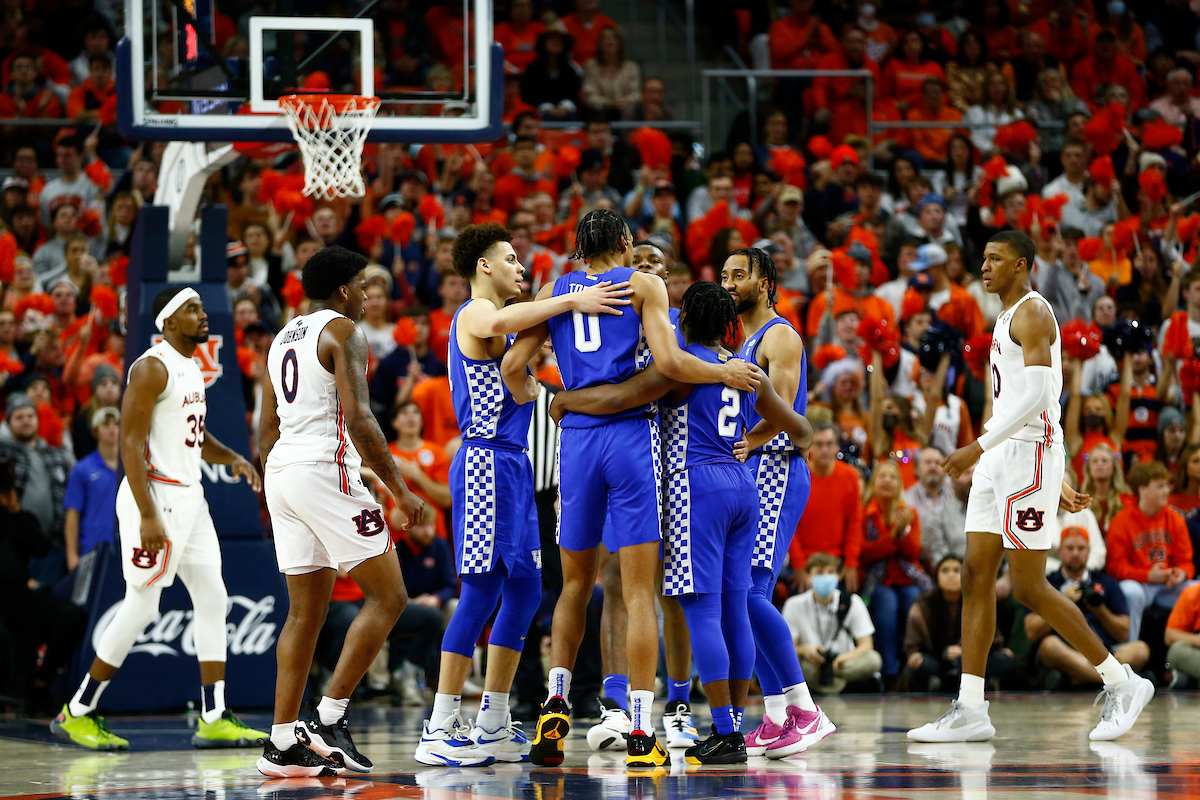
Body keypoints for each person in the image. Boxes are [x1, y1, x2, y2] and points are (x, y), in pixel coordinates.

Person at [501, 208, 759, 769]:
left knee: (574, 587)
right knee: (641, 592)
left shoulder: (557, 288)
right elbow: (668, 361)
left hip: (577, 445)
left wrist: (555, 398)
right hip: (631, 443)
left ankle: (555, 704)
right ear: (624, 242)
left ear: (579, 248)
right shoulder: (642, 284)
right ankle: (643, 730)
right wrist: (724, 373)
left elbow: (513, 365)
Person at [547, 280, 814, 764]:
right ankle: (733, 726)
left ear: (683, 319)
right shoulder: (746, 369)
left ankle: (727, 732)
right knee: (735, 611)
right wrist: (752, 441)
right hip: (742, 486)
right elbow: (802, 429)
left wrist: (564, 402)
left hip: (696, 487)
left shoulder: (679, 368)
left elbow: (615, 400)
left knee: (702, 614)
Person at [907, 230, 1155, 744]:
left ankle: (1122, 681)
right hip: (1007, 456)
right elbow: (1026, 396)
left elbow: (1042, 393)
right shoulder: (1004, 315)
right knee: (977, 573)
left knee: (1027, 586)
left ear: (1023, 265)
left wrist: (987, 449)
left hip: (1023, 453)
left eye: (995, 258)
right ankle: (971, 707)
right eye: (982, 258)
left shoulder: (1034, 311)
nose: (985, 266)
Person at [414, 223, 629, 766]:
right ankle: (440, 725)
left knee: (529, 591)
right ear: (483, 266)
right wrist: (571, 295)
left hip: (515, 468)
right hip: (485, 461)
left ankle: (493, 719)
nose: (520, 267)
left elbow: (518, 364)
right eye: (510, 259)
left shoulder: (505, 328)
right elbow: (509, 320)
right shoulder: (474, 313)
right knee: (481, 593)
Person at [51, 288, 267, 752]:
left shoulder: (190, 365)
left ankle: (213, 716)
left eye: (202, 308)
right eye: (193, 310)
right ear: (169, 322)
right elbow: (130, 443)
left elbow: (192, 432)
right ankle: (78, 711)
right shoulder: (151, 367)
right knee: (144, 605)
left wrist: (231, 457)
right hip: (156, 499)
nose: (203, 315)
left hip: (191, 498)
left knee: (214, 597)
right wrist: (148, 513)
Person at [258, 248, 426, 777]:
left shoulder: (281, 338)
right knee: (391, 595)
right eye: (363, 284)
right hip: (321, 470)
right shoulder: (343, 332)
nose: (370, 293)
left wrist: (284, 484)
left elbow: (265, 428)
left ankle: (282, 742)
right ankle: (329, 719)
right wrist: (399, 490)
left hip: (282, 472)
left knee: (304, 614)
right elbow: (359, 417)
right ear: (344, 291)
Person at [722, 247, 833, 758]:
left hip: (777, 469)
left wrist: (747, 441)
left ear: (765, 283)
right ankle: (772, 715)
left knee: (749, 594)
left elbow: (784, 414)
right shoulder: (743, 343)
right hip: (751, 468)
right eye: (723, 275)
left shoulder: (780, 335)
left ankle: (806, 710)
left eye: (739, 275)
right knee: (740, 597)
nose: (728, 283)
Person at [1027, 526, 1149, 686]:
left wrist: (1099, 609)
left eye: (1081, 548)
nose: (1075, 553)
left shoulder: (1107, 582)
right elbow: (1032, 631)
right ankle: (1113, 680)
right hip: (1068, 652)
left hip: (1105, 651)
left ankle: (1084, 676)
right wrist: (1063, 602)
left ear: (1088, 551)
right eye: (1070, 548)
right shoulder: (1047, 583)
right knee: (1049, 646)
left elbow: (1123, 633)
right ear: (1060, 552)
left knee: (1140, 649)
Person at [1105, 461, 1195, 642]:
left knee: (1195, 589)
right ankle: (1129, 651)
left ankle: (1189, 651)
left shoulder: (1175, 518)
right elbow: (1115, 568)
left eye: (1167, 485)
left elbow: (1187, 561)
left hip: (1167, 586)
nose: (1167, 491)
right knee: (1131, 592)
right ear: (1142, 489)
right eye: (1160, 486)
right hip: (1140, 585)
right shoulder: (1121, 521)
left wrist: (1181, 574)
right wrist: (1147, 575)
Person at [903, 556, 1015, 692]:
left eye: (957, 570)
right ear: (936, 576)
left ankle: (959, 682)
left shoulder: (978, 601)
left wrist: (967, 651)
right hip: (938, 660)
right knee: (920, 662)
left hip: (973, 662)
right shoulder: (923, 604)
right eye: (945, 571)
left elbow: (994, 640)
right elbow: (913, 646)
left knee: (1006, 657)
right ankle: (946, 683)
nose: (951, 575)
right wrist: (944, 653)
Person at [783, 553, 882, 694]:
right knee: (790, 664)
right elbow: (788, 649)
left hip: (844, 662)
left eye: (830, 572)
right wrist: (805, 650)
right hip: (812, 664)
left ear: (838, 576)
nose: (824, 577)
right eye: (818, 572)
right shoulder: (794, 604)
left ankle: (827, 685)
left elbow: (866, 645)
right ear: (808, 577)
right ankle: (840, 685)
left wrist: (840, 660)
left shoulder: (852, 601)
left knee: (874, 660)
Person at [63, 407, 120, 572]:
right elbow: (72, 514)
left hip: (126, 548)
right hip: (92, 550)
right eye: (106, 424)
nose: (113, 429)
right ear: (95, 432)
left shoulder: (131, 467)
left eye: (116, 424)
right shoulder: (82, 469)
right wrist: (72, 555)